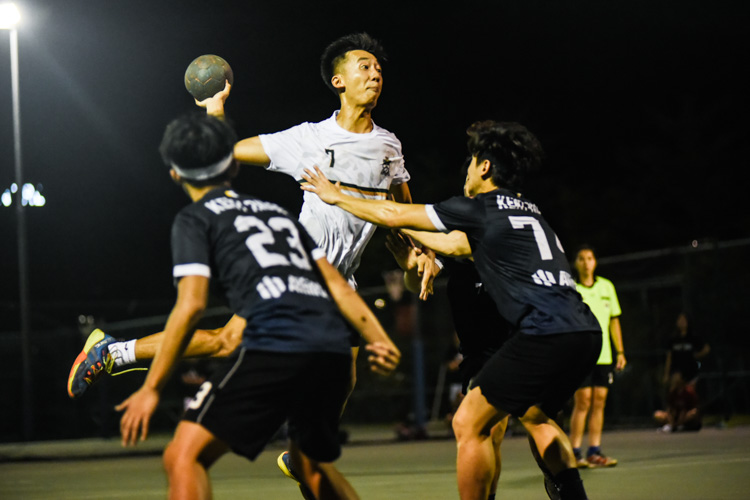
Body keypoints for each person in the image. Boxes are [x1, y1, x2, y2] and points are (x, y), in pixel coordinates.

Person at [68, 32, 435, 398]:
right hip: (295, 271)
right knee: (227, 342)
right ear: (338, 81)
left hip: (340, 282)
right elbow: (228, 152)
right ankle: (113, 353)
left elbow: (403, 214)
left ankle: (299, 458)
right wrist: (215, 108)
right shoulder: (310, 139)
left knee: (343, 379)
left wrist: (418, 256)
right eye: (364, 67)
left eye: (378, 69)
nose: (375, 75)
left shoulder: (389, 145)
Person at [301, 120, 602, 500]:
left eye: (472, 160)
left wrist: (336, 195)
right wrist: (416, 259)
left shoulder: (480, 210)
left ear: (485, 167)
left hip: (540, 332)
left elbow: (395, 215)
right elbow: (456, 247)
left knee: (467, 422)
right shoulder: (529, 211)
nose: (467, 170)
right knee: (537, 417)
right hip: (583, 330)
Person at [115, 112, 400, 500]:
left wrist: (151, 387)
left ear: (175, 176)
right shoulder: (279, 216)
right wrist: (378, 338)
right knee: (312, 469)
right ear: (232, 167)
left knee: (183, 457)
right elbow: (338, 286)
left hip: (278, 343)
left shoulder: (194, 219)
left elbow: (192, 304)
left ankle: (118, 353)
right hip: (334, 345)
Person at [567, 245, 626, 468]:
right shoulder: (571, 288)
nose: (586, 262)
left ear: (595, 262)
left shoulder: (607, 287)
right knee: (582, 402)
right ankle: (574, 452)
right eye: (581, 258)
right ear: (576, 263)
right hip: (580, 356)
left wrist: (620, 351)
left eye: (589, 258)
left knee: (599, 401)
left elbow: (614, 321)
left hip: (604, 355)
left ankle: (594, 451)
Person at [655, 312, 710, 432]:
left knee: (689, 400)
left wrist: (697, 355)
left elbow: (706, 348)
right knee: (672, 401)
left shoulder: (693, 337)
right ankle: (672, 423)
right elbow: (669, 357)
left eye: (684, 320)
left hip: (691, 372)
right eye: (679, 320)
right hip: (677, 371)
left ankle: (686, 423)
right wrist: (666, 374)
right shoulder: (673, 339)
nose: (681, 322)